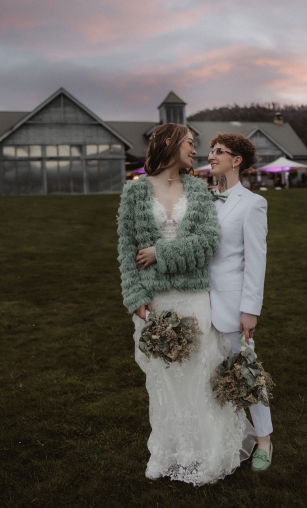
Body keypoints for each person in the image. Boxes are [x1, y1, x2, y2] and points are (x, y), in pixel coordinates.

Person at [117, 123, 256, 486]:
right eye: (190, 143)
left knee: (199, 377)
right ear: (169, 143)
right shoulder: (134, 192)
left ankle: (207, 453)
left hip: (194, 298)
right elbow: (126, 249)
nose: (196, 150)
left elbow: (207, 242)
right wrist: (135, 298)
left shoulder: (197, 189)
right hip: (155, 302)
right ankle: (166, 452)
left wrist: (160, 253)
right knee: (162, 381)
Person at [207, 133, 273, 473]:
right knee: (208, 375)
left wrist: (250, 310)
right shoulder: (203, 200)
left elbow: (256, 261)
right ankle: (222, 436)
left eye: (219, 151)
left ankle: (264, 440)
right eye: (211, 150)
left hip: (233, 305)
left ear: (236, 161)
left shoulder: (252, 204)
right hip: (199, 303)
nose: (211, 155)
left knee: (246, 372)